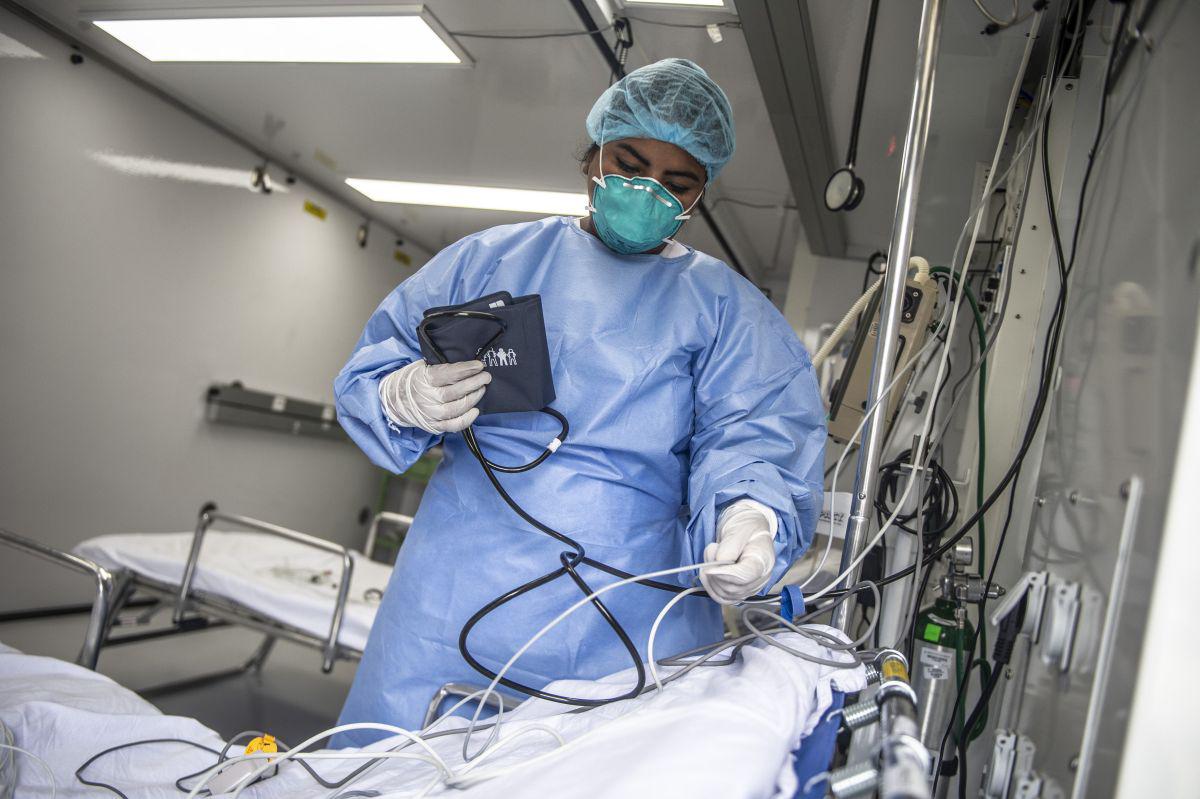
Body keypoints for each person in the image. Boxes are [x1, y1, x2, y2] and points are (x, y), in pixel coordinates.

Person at [332, 58, 826, 744]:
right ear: (591, 154)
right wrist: (400, 393)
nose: (646, 189)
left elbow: (757, 435)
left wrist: (751, 516)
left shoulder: (728, 314)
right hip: (455, 593)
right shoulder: (494, 260)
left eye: (675, 183)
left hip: (630, 618)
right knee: (391, 772)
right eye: (628, 163)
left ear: (699, 194)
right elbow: (374, 366)